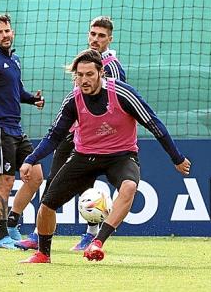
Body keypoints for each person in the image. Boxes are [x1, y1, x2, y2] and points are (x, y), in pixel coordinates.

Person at [19, 49, 190, 263]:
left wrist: (177, 157)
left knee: (129, 187)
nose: (84, 80)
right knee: (46, 205)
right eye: (80, 75)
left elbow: (154, 124)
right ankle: (43, 254)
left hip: (121, 156)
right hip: (84, 156)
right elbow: (54, 136)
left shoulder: (123, 94)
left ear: (101, 73)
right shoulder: (73, 100)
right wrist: (30, 160)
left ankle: (97, 242)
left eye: (89, 74)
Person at [15, 16, 127, 251]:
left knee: (89, 186)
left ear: (110, 39)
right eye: (93, 34)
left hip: (96, 139)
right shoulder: (85, 61)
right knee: (54, 181)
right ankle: (38, 234)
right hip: (72, 133)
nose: (96, 39)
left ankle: (91, 234)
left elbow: (114, 102)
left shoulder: (112, 67)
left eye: (101, 36)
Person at [0, 14, 45, 250]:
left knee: (35, 177)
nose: (5, 35)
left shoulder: (15, 60)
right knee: (5, 183)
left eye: (8, 31)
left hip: (17, 128)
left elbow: (16, 91)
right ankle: (2, 236)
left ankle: (13, 222)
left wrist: (32, 99)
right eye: (0, 32)